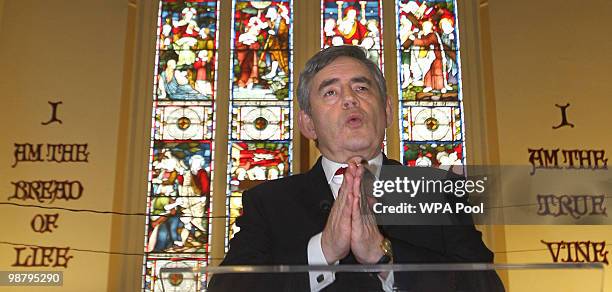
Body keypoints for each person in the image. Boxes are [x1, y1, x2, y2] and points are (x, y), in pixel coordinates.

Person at [207, 46, 503, 291]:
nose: (350, 99)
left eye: (361, 87)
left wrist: (383, 256)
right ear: (308, 124)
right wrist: (322, 252)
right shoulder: (270, 203)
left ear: (387, 110)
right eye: (331, 93)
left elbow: (485, 286)